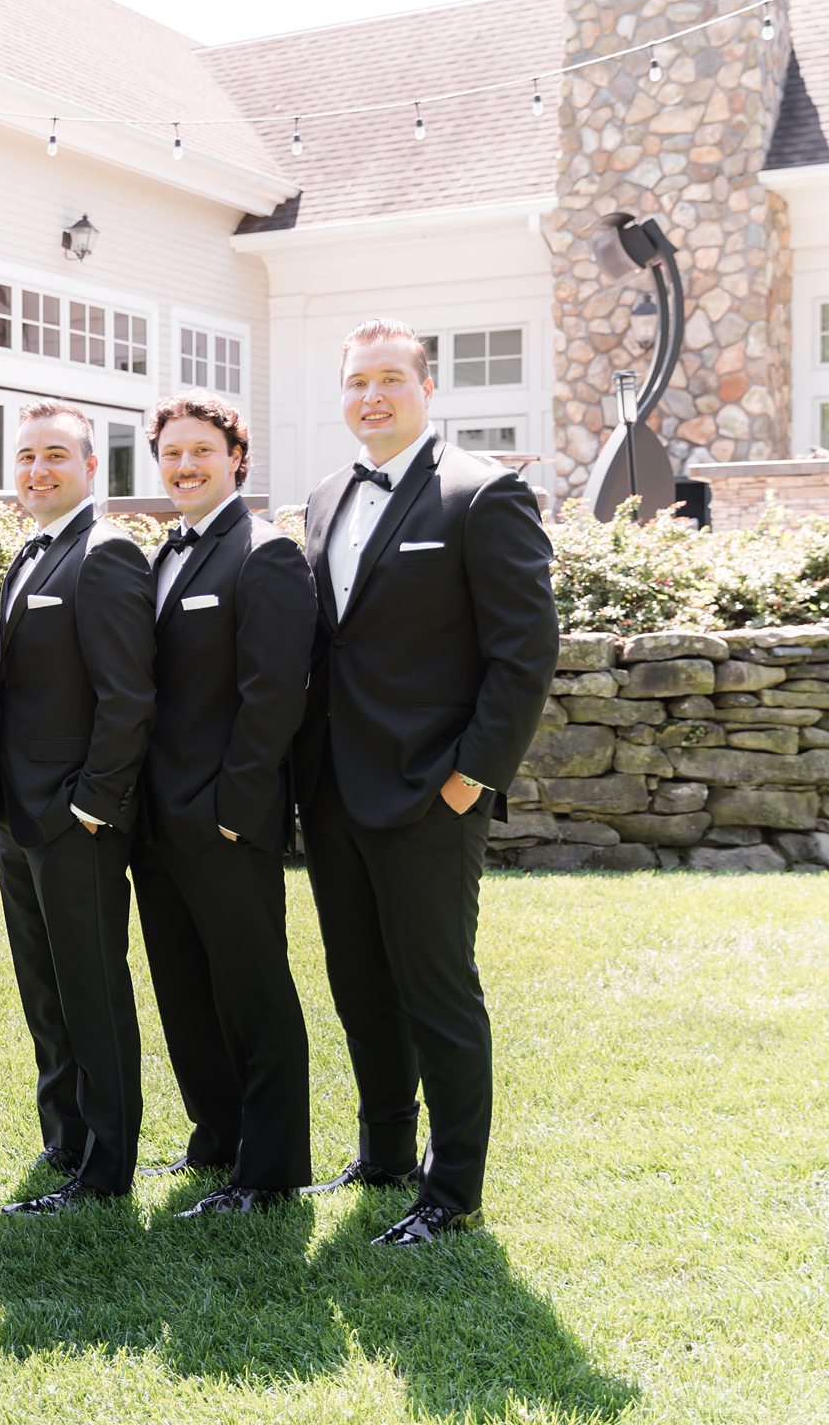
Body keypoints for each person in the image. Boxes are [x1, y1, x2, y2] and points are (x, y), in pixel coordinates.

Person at [296, 318, 558, 1246]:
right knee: (360, 983)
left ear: (426, 389)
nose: (372, 397)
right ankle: (384, 1155)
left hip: (428, 793)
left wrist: (470, 779)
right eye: (356, 382)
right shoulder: (324, 497)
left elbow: (524, 656)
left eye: (390, 381)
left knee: (437, 990)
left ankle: (452, 1193)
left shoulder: (484, 495)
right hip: (331, 793)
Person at [129, 392, 316, 1216]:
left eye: (202, 450)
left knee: (253, 994)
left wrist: (235, 811)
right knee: (184, 989)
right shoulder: (162, 554)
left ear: (237, 457)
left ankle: (270, 1172)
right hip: (158, 823)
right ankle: (217, 1138)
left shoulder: (263, 554)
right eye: (171, 452)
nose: (185, 465)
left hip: (225, 821)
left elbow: (273, 696)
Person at [0, 399, 156, 1215]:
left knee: (90, 987)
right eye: (24, 458)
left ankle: (106, 1164)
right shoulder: (31, 553)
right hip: (18, 822)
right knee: (44, 990)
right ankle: (66, 1137)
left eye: (55, 456)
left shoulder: (107, 553)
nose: (36, 471)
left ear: (93, 467)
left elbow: (129, 696)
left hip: (73, 821)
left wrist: (92, 805)